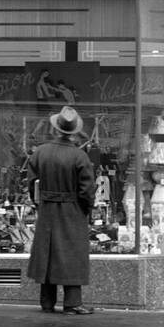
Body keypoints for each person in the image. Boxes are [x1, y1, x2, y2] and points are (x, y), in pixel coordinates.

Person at [26, 106, 95, 314]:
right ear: (74, 131)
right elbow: (87, 190)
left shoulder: (40, 152)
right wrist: (85, 209)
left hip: (47, 208)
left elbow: (32, 184)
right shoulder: (79, 156)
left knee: (48, 252)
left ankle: (47, 302)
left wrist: (40, 204)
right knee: (71, 253)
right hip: (72, 209)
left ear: (56, 129)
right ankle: (72, 303)